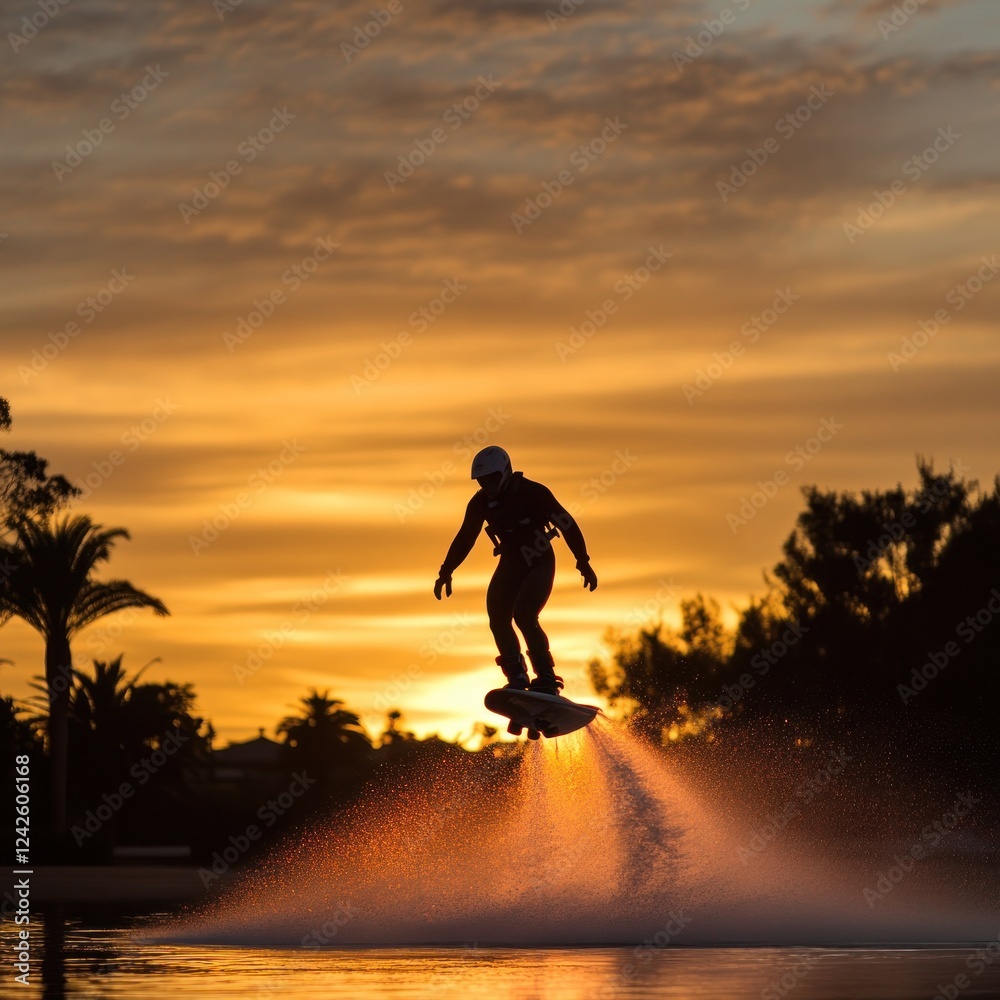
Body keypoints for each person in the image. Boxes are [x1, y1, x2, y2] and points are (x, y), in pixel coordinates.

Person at [434, 445, 598, 695]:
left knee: (524, 614)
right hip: (511, 562)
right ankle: (517, 676)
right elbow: (466, 536)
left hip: (539, 560)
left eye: (492, 479)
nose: (487, 486)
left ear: (505, 472)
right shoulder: (480, 503)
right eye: (482, 481)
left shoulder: (533, 492)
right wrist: (446, 570)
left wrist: (582, 561)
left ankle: (546, 677)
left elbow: (567, 523)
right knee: (497, 617)